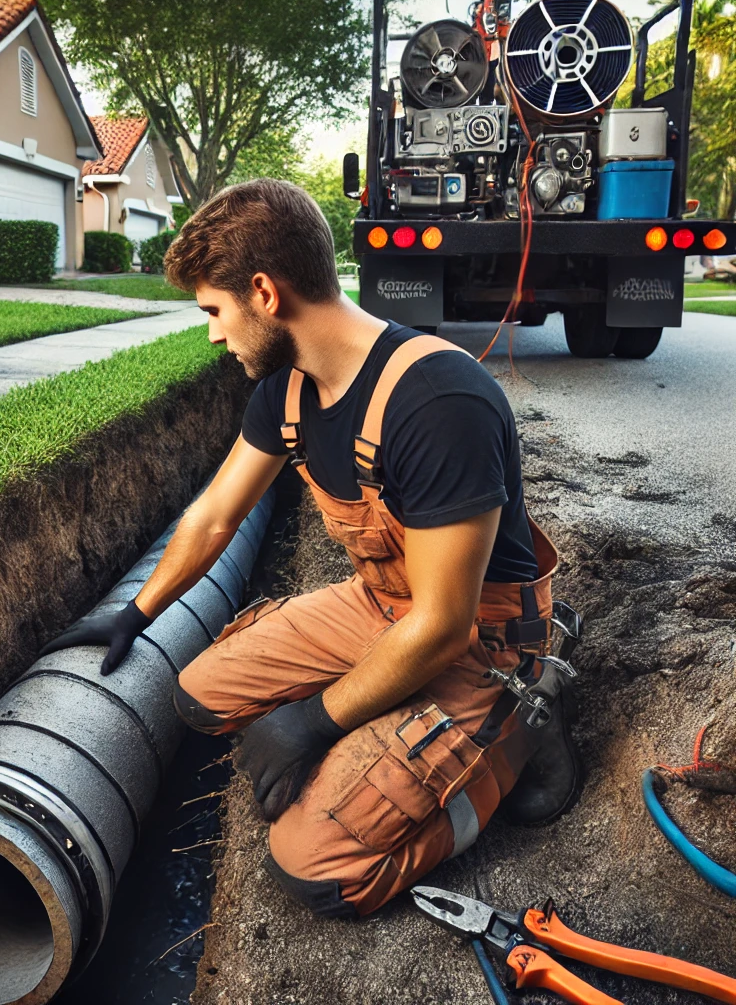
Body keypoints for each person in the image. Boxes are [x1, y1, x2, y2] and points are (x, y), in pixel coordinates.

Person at [43, 178, 580, 918]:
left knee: (315, 868)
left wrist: (312, 722)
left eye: (213, 310)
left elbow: (444, 625)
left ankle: (516, 739)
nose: (212, 334)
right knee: (200, 696)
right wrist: (136, 613)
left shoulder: (436, 400)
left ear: (264, 292)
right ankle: (388, 728)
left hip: (476, 640)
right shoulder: (288, 390)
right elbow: (213, 518)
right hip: (382, 607)